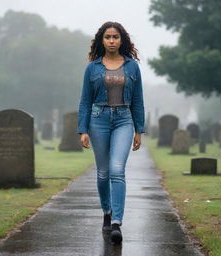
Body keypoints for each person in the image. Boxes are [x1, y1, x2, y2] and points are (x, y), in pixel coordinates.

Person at [77, 21, 145, 244]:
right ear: (102, 40)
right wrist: (83, 129)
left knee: (117, 170)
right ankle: (106, 211)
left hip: (124, 121)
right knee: (103, 172)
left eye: (116, 37)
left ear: (122, 39)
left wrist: (139, 129)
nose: (112, 41)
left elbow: (137, 100)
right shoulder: (92, 68)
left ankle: (116, 222)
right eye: (108, 37)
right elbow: (85, 101)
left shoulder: (132, 66)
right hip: (99, 120)